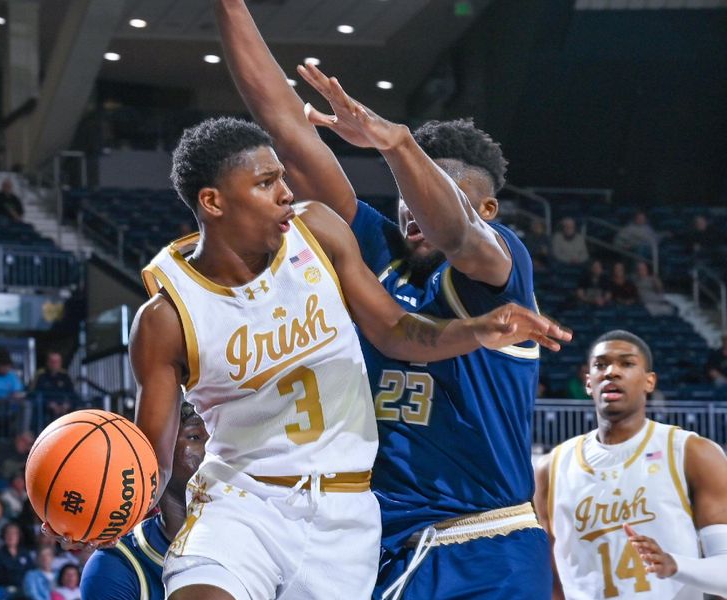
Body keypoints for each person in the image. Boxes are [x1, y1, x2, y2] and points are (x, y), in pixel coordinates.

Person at [131, 115, 568, 600]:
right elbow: (150, 459)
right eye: (266, 182)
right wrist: (110, 509)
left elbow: (399, 329)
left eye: (281, 179)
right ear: (212, 201)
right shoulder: (168, 313)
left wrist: (475, 330)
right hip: (245, 497)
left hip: (350, 518)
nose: (285, 192)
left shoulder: (327, 237)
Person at [214, 2, 571, 597]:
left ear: (486, 209)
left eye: (431, 189)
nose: (411, 206)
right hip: (378, 541)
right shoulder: (372, 251)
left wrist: (396, 143)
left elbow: (456, 230)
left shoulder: (498, 269)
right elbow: (286, 131)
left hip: (482, 544)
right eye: (404, 193)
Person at [535, 330, 727, 599]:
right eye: (601, 365)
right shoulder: (551, 468)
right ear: (589, 382)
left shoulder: (692, 452)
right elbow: (548, 576)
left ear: (649, 381)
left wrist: (674, 564)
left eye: (626, 363)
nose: (611, 372)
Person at [81, 402, 208, 599]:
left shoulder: (259, 540)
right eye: (195, 437)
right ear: (157, 456)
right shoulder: (116, 566)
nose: (215, 449)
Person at [30, 351, 78, 419]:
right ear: (47, 362)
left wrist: (67, 404)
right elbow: (33, 394)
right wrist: (49, 404)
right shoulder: (40, 375)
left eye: (57, 362)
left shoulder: (65, 376)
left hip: (64, 409)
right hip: (45, 411)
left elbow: (73, 394)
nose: (54, 364)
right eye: (52, 361)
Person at [0, 522, 33, 590]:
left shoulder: (25, 554)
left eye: (14, 533)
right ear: (3, 535)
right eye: (8, 533)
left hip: (23, 589)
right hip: (3, 589)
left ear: (18, 536)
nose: (11, 536)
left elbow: (30, 571)